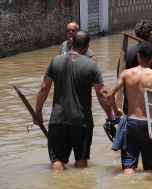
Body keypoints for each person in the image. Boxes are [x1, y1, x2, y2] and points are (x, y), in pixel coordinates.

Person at [34, 30, 113, 170]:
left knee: (57, 161)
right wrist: (110, 116)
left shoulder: (55, 61)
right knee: (81, 162)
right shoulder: (92, 65)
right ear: (87, 46)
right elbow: (102, 94)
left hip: (58, 119)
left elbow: (43, 89)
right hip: (82, 121)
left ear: (71, 42)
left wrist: (37, 113)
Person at [107, 41, 152, 174]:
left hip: (131, 124)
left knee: (129, 167)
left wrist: (116, 109)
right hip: (149, 125)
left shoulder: (126, 74)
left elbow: (109, 95)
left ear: (138, 56)